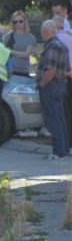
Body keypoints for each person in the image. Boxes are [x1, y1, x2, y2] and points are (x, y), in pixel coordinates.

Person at [36, 20, 71, 160]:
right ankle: (64, 149)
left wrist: (42, 84)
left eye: (41, 32)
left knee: (53, 120)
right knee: (60, 119)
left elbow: (50, 70)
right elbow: (67, 69)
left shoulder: (52, 46)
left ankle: (58, 152)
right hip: (61, 85)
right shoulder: (61, 45)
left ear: (46, 32)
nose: (41, 34)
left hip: (51, 87)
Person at [53, 16, 72, 144]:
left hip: (60, 78)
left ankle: (63, 143)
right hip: (70, 77)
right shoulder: (70, 37)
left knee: (61, 113)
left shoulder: (56, 40)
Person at [3, 11, 37, 77]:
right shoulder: (8, 36)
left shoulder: (31, 37)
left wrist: (11, 51)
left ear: (25, 21)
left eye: (20, 21)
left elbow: (27, 54)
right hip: (8, 71)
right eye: (15, 22)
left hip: (23, 71)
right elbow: (2, 52)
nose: (18, 24)